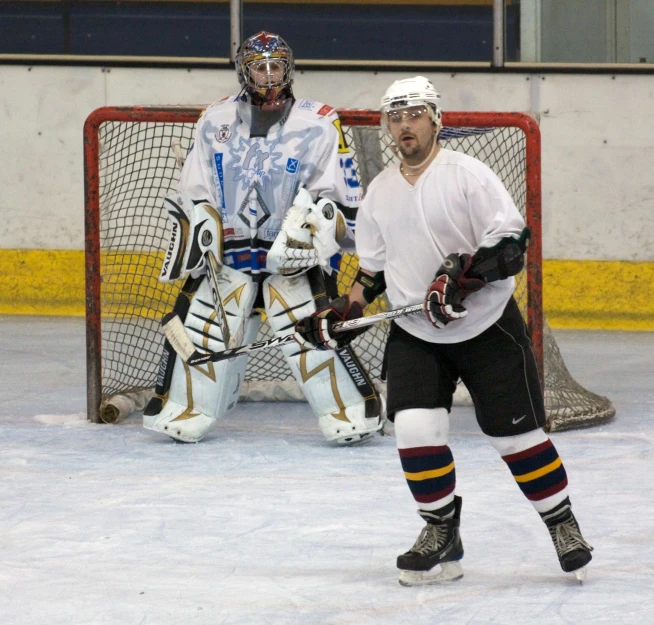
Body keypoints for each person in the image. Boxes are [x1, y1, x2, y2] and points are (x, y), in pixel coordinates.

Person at [294, 76, 593, 585]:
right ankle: (441, 532)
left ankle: (563, 525)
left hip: (486, 326)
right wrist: (349, 307)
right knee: (414, 431)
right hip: (416, 330)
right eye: (395, 116)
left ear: (435, 119)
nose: (404, 125)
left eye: (414, 114)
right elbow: (375, 268)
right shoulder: (381, 193)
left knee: (516, 438)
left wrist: (464, 277)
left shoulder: (468, 175)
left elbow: (512, 246)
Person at [143, 31, 383, 445]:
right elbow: (195, 188)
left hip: (290, 261)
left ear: (289, 70)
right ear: (244, 70)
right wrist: (200, 225)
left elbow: (340, 195)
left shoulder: (320, 121)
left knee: (309, 330)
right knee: (203, 329)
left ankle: (349, 409)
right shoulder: (213, 119)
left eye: (276, 66)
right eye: (259, 66)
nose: (268, 75)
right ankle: (190, 406)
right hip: (229, 259)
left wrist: (316, 229)